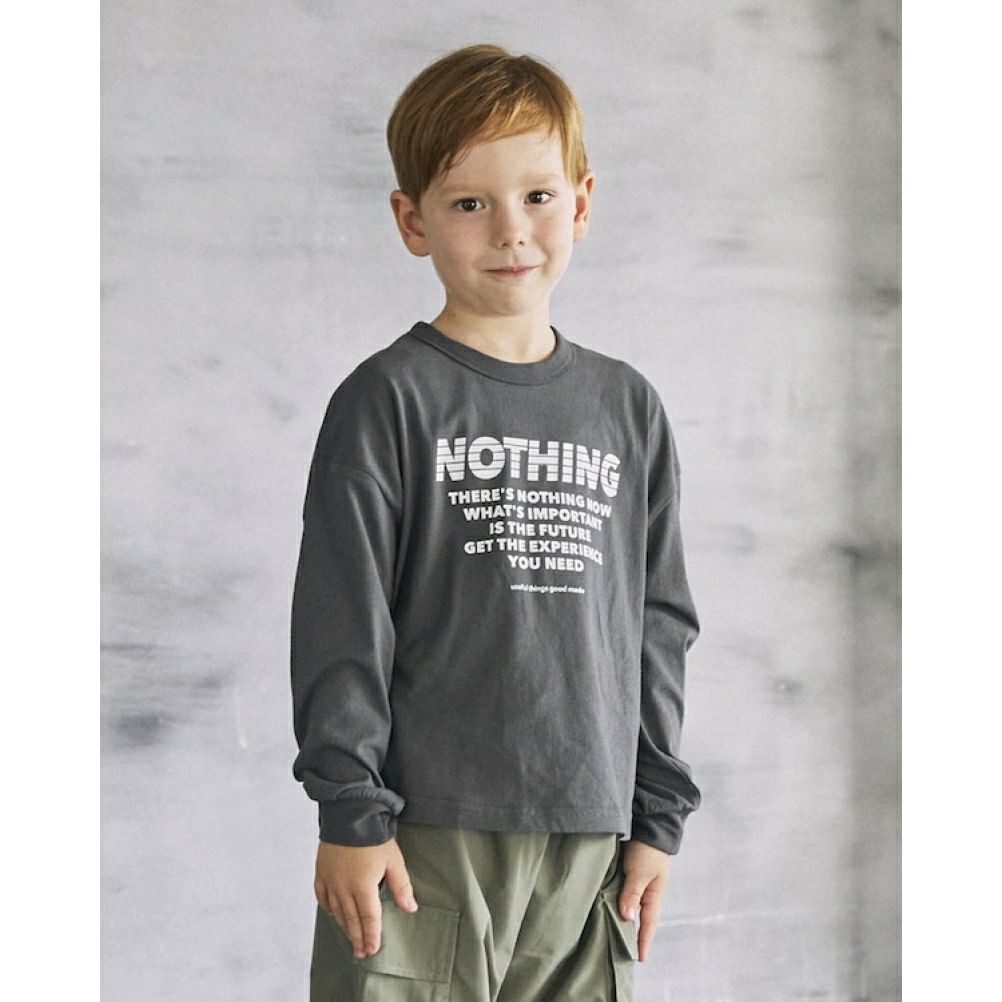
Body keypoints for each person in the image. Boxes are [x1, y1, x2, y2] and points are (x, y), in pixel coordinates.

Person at [290, 43, 701, 1001]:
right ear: (413, 220)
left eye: (538, 197)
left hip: (590, 833)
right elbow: (343, 618)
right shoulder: (389, 399)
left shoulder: (627, 407)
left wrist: (656, 817)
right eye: (470, 202)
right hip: (422, 829)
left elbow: (659, 624)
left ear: (582, 204)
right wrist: (350, 811)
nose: (511, 230)